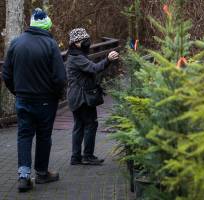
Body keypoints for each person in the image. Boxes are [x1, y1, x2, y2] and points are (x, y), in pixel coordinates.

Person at [2, 8, 66, 192]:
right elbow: (60, 77)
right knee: (44, 136)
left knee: (24, 135)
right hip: (45, 100)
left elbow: (6, 74)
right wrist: (56, 93)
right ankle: (42, 173)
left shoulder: (16, 43)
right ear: (47, 25)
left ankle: (23, 176)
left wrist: (17, 91)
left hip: (23, 98)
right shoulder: (50, 44)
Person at [66, 28, 119, 165]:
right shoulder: (77, 57)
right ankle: (87, 156)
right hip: (82, 97)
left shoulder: (75, 55)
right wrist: (107, 59)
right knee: (90, 124)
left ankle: (76, 157)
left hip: (75, 96)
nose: (88, 42)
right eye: (85, 40)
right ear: (76, 43)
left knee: (79, 126)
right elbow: (94, 68)